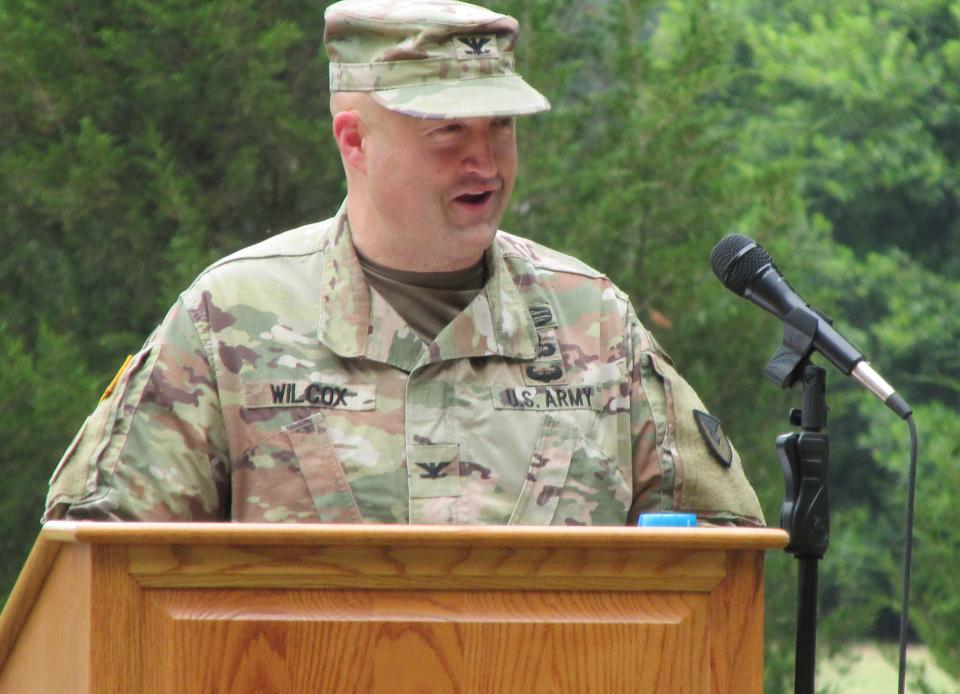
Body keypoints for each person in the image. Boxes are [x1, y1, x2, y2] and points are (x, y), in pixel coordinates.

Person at [43, 0, 764, 527]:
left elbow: (718, 556)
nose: (484, 160)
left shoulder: (593, 321)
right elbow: (101, 561)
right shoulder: (231, 318)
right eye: (448, 130)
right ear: (354, 141)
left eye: (500, 128)